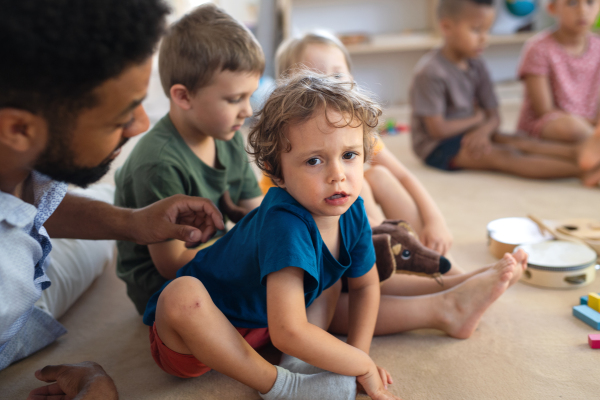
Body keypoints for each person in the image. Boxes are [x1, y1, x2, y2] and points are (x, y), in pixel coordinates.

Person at [1, 0, 225, 396]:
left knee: (103, 200)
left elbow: (31, 209)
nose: (142, 124)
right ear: (18, 128)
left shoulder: (16, 157)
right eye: (123, 115)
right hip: (13, 313)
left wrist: (131, 222)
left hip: (30, 287)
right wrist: (97, 390)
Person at [255, 30, 529, 338]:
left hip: (379, 238)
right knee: (332, 302)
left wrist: (434, 221)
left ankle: (446, 272)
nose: (327, 88)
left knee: (378, 177)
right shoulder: (289, 163)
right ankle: (449, 297)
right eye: (315, 79)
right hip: (330, 264)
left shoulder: (357, 134)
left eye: (336, 75)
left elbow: (403, 176)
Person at [114, 4, 265, 315]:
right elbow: (172, 265)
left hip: (218, 258)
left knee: (312, 275)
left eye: (250, 96)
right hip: (170, 291)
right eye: (235, 99)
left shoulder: (228, 135)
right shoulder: (157, 165)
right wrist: (250, 247)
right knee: (285, 300)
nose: (247, 111)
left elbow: (258, 212)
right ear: (183, 97)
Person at [410, 0, 584, 180]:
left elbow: (494, 116)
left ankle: (582, 153)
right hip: (438, 146)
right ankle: (583, 171)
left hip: (473, 131)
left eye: (487, 30)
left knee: (520, 141)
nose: (485, 38)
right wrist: (478, 119)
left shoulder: (477, 64)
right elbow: (438, 130)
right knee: (505, 156)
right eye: (476, 30)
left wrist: (484, 129)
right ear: (446, 27)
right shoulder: (430, 73)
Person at [517, 0, 600, 144]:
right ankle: (593, 145)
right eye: (572, 3)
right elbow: (544, 110)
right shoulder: (538, 48)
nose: (583, 11)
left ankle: (592, 145)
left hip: (591, 125)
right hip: (550, 125)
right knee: (570, 127)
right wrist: (589, 124)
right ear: (552, 8)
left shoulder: (598, 47)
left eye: (590, 2)